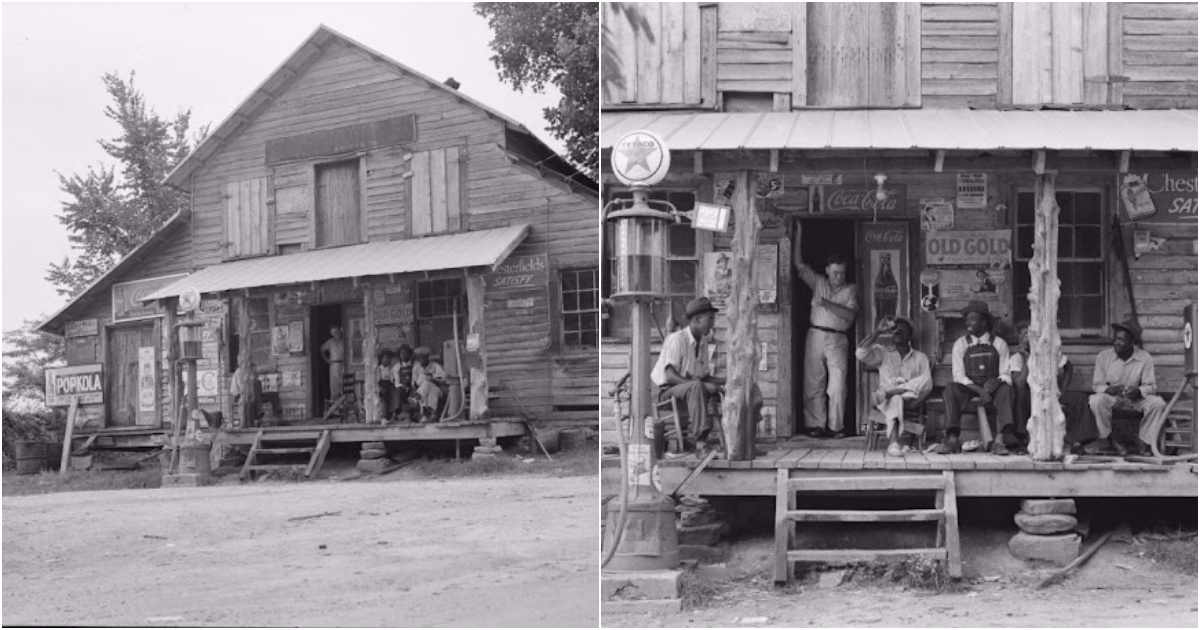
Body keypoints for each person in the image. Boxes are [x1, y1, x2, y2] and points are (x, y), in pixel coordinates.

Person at [792, 221, 858, 438]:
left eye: (842, 273)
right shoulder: (818, 281)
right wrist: (800, 232)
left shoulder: (850, 289)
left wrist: (826, 303)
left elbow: (850, 315)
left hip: (838, 338)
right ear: (828, 270)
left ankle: (836, 427)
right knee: (814, 383)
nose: (839, 277)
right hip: (815, 335)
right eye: (836, 273)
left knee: (837, 386)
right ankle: (816, 425)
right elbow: (799, 264)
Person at [651, 296, 726, 455]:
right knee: (697, 386)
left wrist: (726, 381)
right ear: (697, 320)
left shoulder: (704, 342)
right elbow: (670, 376)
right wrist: (702, 385)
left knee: (707, 386)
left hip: (689, 390)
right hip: (667, 392)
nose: (713, 323)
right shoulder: (677, 339)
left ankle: (730, 439)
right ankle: (700, 442)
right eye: (710, 318)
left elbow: (703, 376)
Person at [940, 301, 1016, 455]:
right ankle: (953, 439)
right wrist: (978, 390)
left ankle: (999, 441)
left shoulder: (999, 343)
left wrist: (998, 381)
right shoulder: (961, 344)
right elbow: (958, 375)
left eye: (972, 319)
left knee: (1006, 390)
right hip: (969, 388)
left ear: (984, 321)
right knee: (950, 390)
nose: (968, 322)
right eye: (967, 319)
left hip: (991, 387)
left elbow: (1006, 373)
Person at [1087, 320, 1167, 456]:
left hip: (1135, 400)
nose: (1116, 342)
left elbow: (1151, 386)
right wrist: (1109, 390)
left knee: (1158, 403)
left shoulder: (1145, 358)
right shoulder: (1103, 357)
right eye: (1115, 338)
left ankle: (1144, 443)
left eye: (1120, 339)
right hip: (1113, 398)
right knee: (1096, 400)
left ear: (1131, 342)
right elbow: (1097, 385)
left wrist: (1139, 391)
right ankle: (1106, 440)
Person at [855, 317, 932, 457]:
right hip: (886, 400)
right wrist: (878, 331)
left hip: (910, 399)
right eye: (895, 330)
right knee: (896, 399)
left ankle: (896, 390)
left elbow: (927, 384)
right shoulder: (882, 352)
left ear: (910, 336)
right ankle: (894, 443)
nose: (897, 332)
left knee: (926, 379)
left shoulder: (920, 357)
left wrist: (908, 393)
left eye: (903, 330)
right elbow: (860, 353)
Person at [411, 346, 447, 423]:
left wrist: (433, 378)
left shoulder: (435, 365)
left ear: (427, 358)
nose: (421, 360)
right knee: (427, 386)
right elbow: (414, 383)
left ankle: (416, 399)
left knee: (428, 384)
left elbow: (444, 379)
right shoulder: (416, 368)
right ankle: (433, 415)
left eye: (422, 358)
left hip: (438, 389)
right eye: (419, 358)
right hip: (423, 390)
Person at [320, 325, 345, 399]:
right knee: (334, 385)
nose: (337, 333)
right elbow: (321, 350)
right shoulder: (330, 342)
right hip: (334, 364)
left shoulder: (343, 341)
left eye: (337, 332)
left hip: (343, 364)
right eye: (334, 332)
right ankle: (335, 405)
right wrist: (327, 360)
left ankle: (343, 403)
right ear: (332, 334)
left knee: (343, 383)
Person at [391, 344, 415, 421]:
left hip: (413, 387)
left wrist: (411, 386)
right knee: (397, 391)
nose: (403, 355)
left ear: (409, 354)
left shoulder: (415, 365)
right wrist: (402, 385)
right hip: (402, 388)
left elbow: (415, 378)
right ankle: (395, 414)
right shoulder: (397, 367)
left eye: (405, 353)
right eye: (401, 353)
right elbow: (396, 382)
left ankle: (413, 415)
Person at [377, 349, 395, 421]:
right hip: (381, 386)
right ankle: (384, 415)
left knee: (392, 393)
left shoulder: (392, 369)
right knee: (384, 395)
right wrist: (380, 388)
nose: (389, 360)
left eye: (390, 358)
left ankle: (392, 414)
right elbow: (377, 381)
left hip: (390, 386)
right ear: (381, 359)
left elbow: (393, 379)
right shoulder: (378, 369)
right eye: (387, 358)